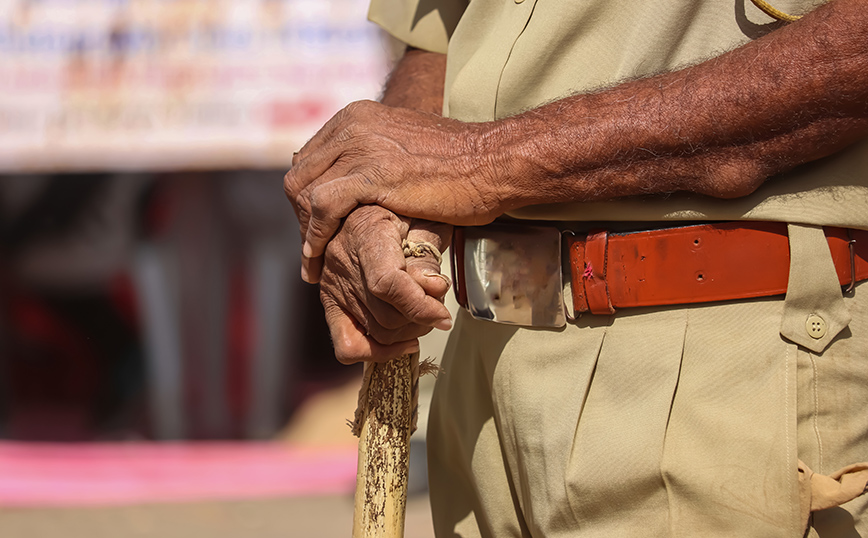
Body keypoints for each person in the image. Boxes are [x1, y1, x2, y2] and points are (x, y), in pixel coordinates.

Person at [284, 0, 868, 536]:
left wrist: (480, 162)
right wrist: (387, 202)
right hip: (481, 367)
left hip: (722, 355)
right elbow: (438, 36)